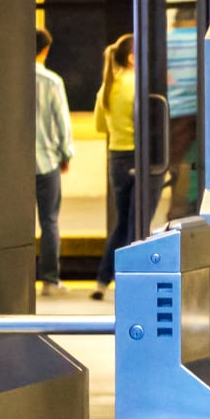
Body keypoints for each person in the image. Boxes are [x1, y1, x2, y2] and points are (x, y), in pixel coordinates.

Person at [92, 34, 137, 300]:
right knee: (136, 223)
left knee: (122, 223)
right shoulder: (137, 85)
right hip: (138, 157)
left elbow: (100, 126)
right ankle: (130, 281)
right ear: (132, 58)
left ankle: (101, 281)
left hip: (116, 158)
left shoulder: (107, 87)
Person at [33, 27, 73, 292]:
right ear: (45, 50)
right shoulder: (51, 81)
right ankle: (49, 280)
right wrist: (65, 153)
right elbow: (62, 122)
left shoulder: (8, 77)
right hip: (46, 162)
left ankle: (18, 277)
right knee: (49, 221)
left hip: (13, 166)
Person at [164, 5, 200, 221]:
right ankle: (186, 209)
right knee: (196, 163)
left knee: (177, 165)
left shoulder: (167, 40)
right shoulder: (200, 38)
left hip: (173, 110)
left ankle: (177, 210)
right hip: (197, 110)